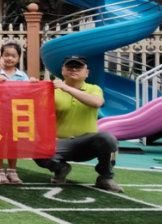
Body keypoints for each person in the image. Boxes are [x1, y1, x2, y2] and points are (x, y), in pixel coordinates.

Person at [34, 55, 122, 192]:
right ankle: (61, 169)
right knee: (35, 148)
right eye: (70, 66)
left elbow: (97, 102)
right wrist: (32, 87)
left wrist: (66, 88)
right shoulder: (50, 90)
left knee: (108, 138)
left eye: (78, 67)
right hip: (58, 143)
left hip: (87, 144)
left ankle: (105, 177)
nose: (74, 69)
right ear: (62, 70)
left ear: (87, 72)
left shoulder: (94, 89)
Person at [0, 42, 35, 184]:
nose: (9, 58)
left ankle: (12, 171)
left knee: (14, 142)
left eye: (13, 56)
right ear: (0, 56)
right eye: (6, 55)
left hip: (16, 114)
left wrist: (32, 83)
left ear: (19, 58)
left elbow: (28, 92)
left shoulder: (22, 75)